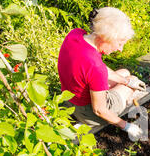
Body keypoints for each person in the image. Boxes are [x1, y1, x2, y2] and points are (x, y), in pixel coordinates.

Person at [58, 7, 144, 138]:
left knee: (125, 73)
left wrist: (127, 81)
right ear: (105, 38)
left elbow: (95, 69)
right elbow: (99, 110)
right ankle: (123, 97)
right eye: (119, 43)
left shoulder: (75, 34)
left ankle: (126, 80)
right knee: (128, 89)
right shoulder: (95, 67)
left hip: (68, 97)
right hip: (87, 113)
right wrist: (126, 126)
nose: (120, 49)